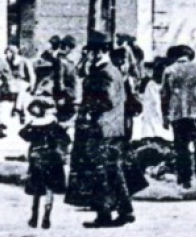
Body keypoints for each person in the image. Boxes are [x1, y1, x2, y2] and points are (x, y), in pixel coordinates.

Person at [84, 47, 135, 229]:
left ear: (98, 52)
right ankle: (124, 211)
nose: (90, 55)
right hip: (113, 126)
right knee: (113, 170)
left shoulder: (105, 73)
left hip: (104, 127)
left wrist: (90, 111)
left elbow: (107, 100)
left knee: (102, 171)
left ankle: (105, 214)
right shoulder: (112, 70)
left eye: (92, 51)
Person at [65, 32, 112, 210]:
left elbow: (108, 98)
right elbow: (80, 75)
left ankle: (100, 199)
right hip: (86, 118)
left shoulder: (107, 70)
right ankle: (86, 197)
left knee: (95, 160)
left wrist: (94, 112)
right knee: (83, 158)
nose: (97, 54)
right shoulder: (92, 68)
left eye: (100, 51)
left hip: (97, 119)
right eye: (94, 51)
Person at [161, 45, 196, 190]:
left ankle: (184, 180)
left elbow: (164, 95)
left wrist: (165, 116)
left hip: (177, 114)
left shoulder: (169, 70)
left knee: (181, 148)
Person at [19, 97, 69, 230]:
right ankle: (47, 216)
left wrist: (29, 125)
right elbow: (66, 139)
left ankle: (34, 216)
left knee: (36, 189)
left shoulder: (33, 124)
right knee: (50, 189)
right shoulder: (53, 124)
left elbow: (23, 134)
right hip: (52, 157)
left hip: (37, 157)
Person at [4, 46, 33, 125]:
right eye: (7, 52)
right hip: (12, 82)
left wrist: (32, 84)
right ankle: (18, 110)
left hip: (23, 81)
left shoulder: (23, 60)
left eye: (11, 52)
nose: (9, 54)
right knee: (18, 93)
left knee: (22, 91)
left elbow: (31, 74)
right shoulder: (6, 61)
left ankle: (18, 109)